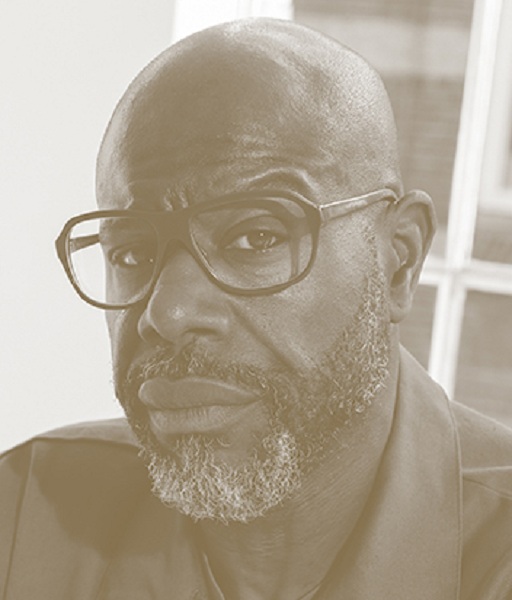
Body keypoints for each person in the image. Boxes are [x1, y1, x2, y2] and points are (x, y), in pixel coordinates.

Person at [1, 17, 511, 600]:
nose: (167, 313)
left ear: (399, 261)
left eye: (256, 238)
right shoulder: (22, 519)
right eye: (132, 252)